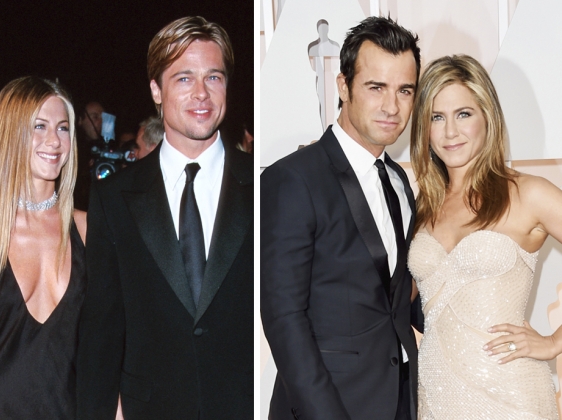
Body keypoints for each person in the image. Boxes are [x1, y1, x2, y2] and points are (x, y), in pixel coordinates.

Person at [76, 16, 253, 419]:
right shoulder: (114, 198)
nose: (202, 93)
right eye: (184, 78)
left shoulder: (264, 187)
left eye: (213, 77)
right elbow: (102, 330)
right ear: (156, 90)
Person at [261, 16, 421, 420]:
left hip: (401, 400)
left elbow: (396, 296)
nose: (392, 107)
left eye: (404, 90)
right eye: (376, 87)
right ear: (343, 86)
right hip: (329, 406)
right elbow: (283, 318)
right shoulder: (293, 178)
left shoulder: (399, 180)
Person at [408, 54, 562, 419]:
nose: (450, 132)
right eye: (436, 117)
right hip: (437, 397)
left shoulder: (528, 193)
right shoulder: (422, 206)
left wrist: (554, 342)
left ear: (487, 116)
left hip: (513, 397)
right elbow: (392, 303)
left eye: (463, 114)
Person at [0, 76, 87, 418]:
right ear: (10, 133)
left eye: (63, 128)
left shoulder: (90, 231)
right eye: (39, 126)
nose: (54, 141)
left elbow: (108, 349)